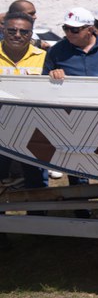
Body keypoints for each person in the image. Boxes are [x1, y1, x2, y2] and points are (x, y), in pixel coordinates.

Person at [43, 7, 98, 219]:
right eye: (66, 28)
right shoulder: (57, 50)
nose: (69, 33)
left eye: (74, 30)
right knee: (75, 163)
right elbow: (43, 82)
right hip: (71, 118)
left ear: (90, 29)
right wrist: (52, 75)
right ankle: (81, 209)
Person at [0, 11, 49, 206]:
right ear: (3, 30)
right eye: (12, 30)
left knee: (36, 178)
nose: (18, 35)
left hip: (33, 129)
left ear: (31, 34)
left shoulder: (45, 57)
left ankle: (39, 219)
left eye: (24, 31)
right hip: (1, 130)